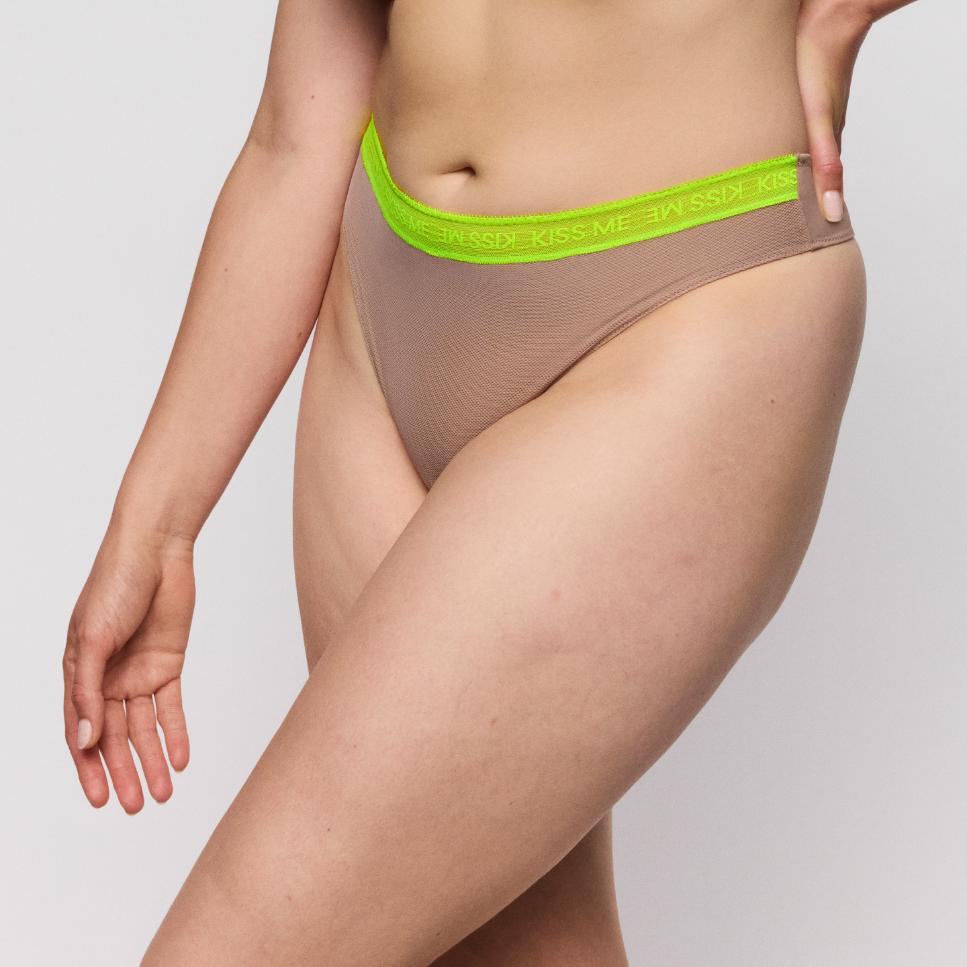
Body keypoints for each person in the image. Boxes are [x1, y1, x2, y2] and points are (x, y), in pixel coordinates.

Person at [61, 0, 915, 963]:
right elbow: (293, 136)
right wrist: (158, 521)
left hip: (684, 302)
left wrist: (845, 13)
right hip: (380, 300)